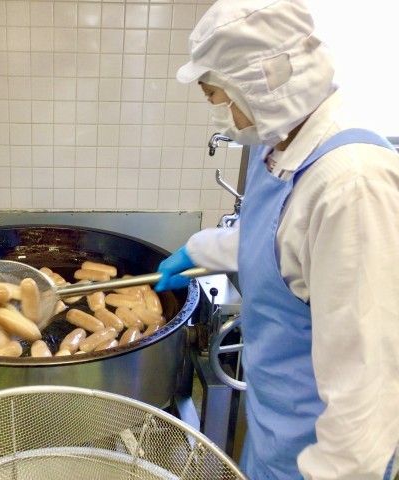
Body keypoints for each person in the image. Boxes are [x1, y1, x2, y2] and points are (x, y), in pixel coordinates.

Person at [154, 0, 399, 478]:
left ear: (258, 85)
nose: (217, 112)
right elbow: (279, 241)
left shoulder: (353, 185)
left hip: (324, 456)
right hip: (274, 426)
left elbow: (368, 390)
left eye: (215, 96)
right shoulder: (282, 144)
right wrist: (199, 249)